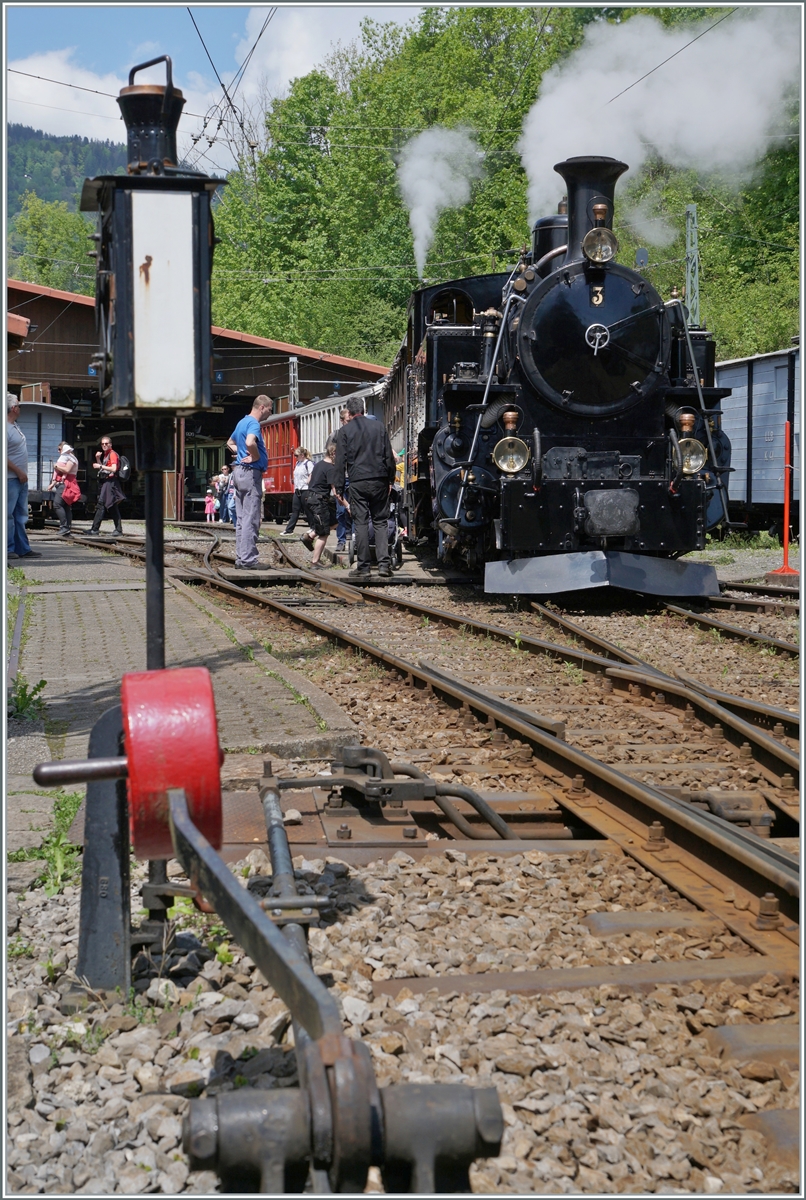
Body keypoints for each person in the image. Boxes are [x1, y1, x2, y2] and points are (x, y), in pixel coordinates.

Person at [334, 396, 396, 579]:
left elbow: (340, 462)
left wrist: (339, 488)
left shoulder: (345, 431)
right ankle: (384, 565)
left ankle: (364, 567)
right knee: (380, 522)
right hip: (379, 480)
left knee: (360, 522)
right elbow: (388, 457)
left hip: (358, 481)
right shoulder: (379, 427)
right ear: (363, 409)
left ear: (349, 412)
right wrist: (390, 480)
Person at [226, 394, 273, 569]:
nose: (270, 413)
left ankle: (241, 558)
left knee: (241, 518)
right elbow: (250, 441)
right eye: (270, 409)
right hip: (250, 474)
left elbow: (230, 442)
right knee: (251, 518)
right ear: (262, 407)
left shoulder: (241, 422)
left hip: (239, 472)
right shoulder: (254, 423)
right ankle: (248, 560)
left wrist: (240, 452)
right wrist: (255, 456)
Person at [6, 393, 42, 559]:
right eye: (19, 406)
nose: (20, 409)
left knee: (20, 515)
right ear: (13, 408)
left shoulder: (15, 426)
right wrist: (18, 471)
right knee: (8, 515)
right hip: (10, 479)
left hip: (20, 480)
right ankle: (7, 549)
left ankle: (22, 548)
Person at [304, 438, 340, 570]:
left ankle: (310, 536)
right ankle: (315, 562)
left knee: (334, 522)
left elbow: (309, 481)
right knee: (324, 533)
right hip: (319, 501)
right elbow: (335, 491)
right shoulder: (331, 468)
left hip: (310, 497)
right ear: (334, 453)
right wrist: (346, 504)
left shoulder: (318, 464)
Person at [87, 435, 125, 536]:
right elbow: (103, 469)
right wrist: (98, 459)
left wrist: (100, 465)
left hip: (110, 481)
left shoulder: (112, 454)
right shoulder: (106, 454)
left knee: (102, 504)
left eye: (106, 443)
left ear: (110, 444)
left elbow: (113, 469)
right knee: (111, 505)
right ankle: (118, 530)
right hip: (108, 481)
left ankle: (95, 529)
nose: (104, 445)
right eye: (102, 444)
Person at [48, 441, 79, 537]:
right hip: (65, 483)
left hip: (66, 484)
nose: (58, 451)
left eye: (59, 449)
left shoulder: (70, 458)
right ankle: (67, 528)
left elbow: (67, 470)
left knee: (57, 504)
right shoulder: (68, 458)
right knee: (66, 506)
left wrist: (56, 466)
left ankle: (64, 527)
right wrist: (53, 483)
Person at [283, 447, 314, 534]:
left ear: (302, 455)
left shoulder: (308, 463)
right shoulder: (297, 463)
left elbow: (312, 473)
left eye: (296, 455)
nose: (295, 457)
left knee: (307, 509)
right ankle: (289, 530)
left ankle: (313, 527)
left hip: (305, 489)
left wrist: (308, 480)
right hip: (298, 489)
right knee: (295, 510)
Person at [335, 408, 353, 553]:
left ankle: (354, 539)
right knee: (341, 512)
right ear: (342, 421)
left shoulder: (357, 434)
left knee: (355, 511)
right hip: (341, 478)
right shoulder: (335, 436)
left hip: (353, 478)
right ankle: (341, 541)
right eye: (348, 421)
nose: (350, 423)